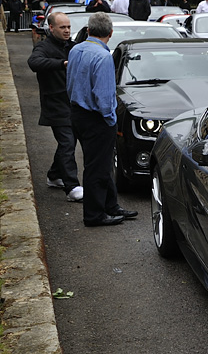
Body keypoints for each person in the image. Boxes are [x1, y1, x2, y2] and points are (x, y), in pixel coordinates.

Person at [66, 13, 137, 226]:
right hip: (96, 117)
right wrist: (110, 120)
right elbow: (104, 96)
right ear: (111, 33)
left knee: (101, 163)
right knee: (97, 167)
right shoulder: (103, 56)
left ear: (88, 31)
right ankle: (94, 215)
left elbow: (70, 83)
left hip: (78, 113)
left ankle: (110, 205)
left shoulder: (76, 49)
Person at [28, 12, 83, 202]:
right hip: (55, 104)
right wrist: (62, 64)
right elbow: (33, 63)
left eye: (68, 27)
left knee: (69, 142)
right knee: (67, 143)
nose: (67, 30)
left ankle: (54, 175)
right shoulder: (43, 47)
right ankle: (72, 187)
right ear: (51, 28)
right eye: (62, 27)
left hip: (73, 104)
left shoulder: (73, 47)